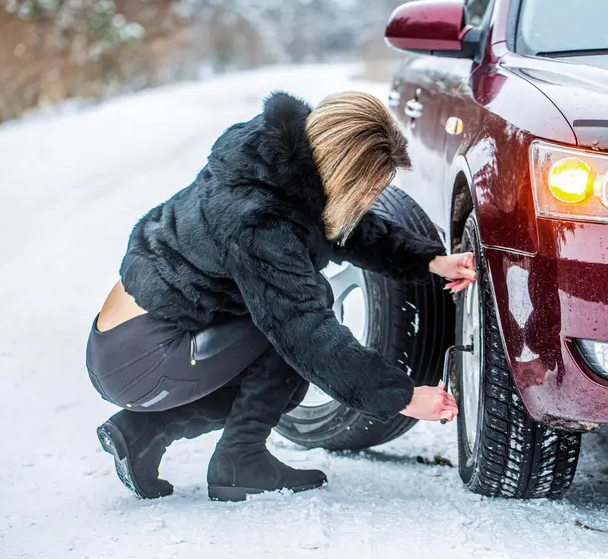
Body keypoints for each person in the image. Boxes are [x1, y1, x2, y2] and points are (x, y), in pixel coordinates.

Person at [86, 90, 475, 503]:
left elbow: (337, 227)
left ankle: (143, 435)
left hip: (126, 341)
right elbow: (306, 332)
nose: (369, 201)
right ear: (341, 171)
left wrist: (431, 260)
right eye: (367, 190)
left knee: (285, 375)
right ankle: (241, 460)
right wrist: (404, 397)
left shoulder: (278, 162)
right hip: (142, 357)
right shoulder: (258, 219)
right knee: (296, 331)